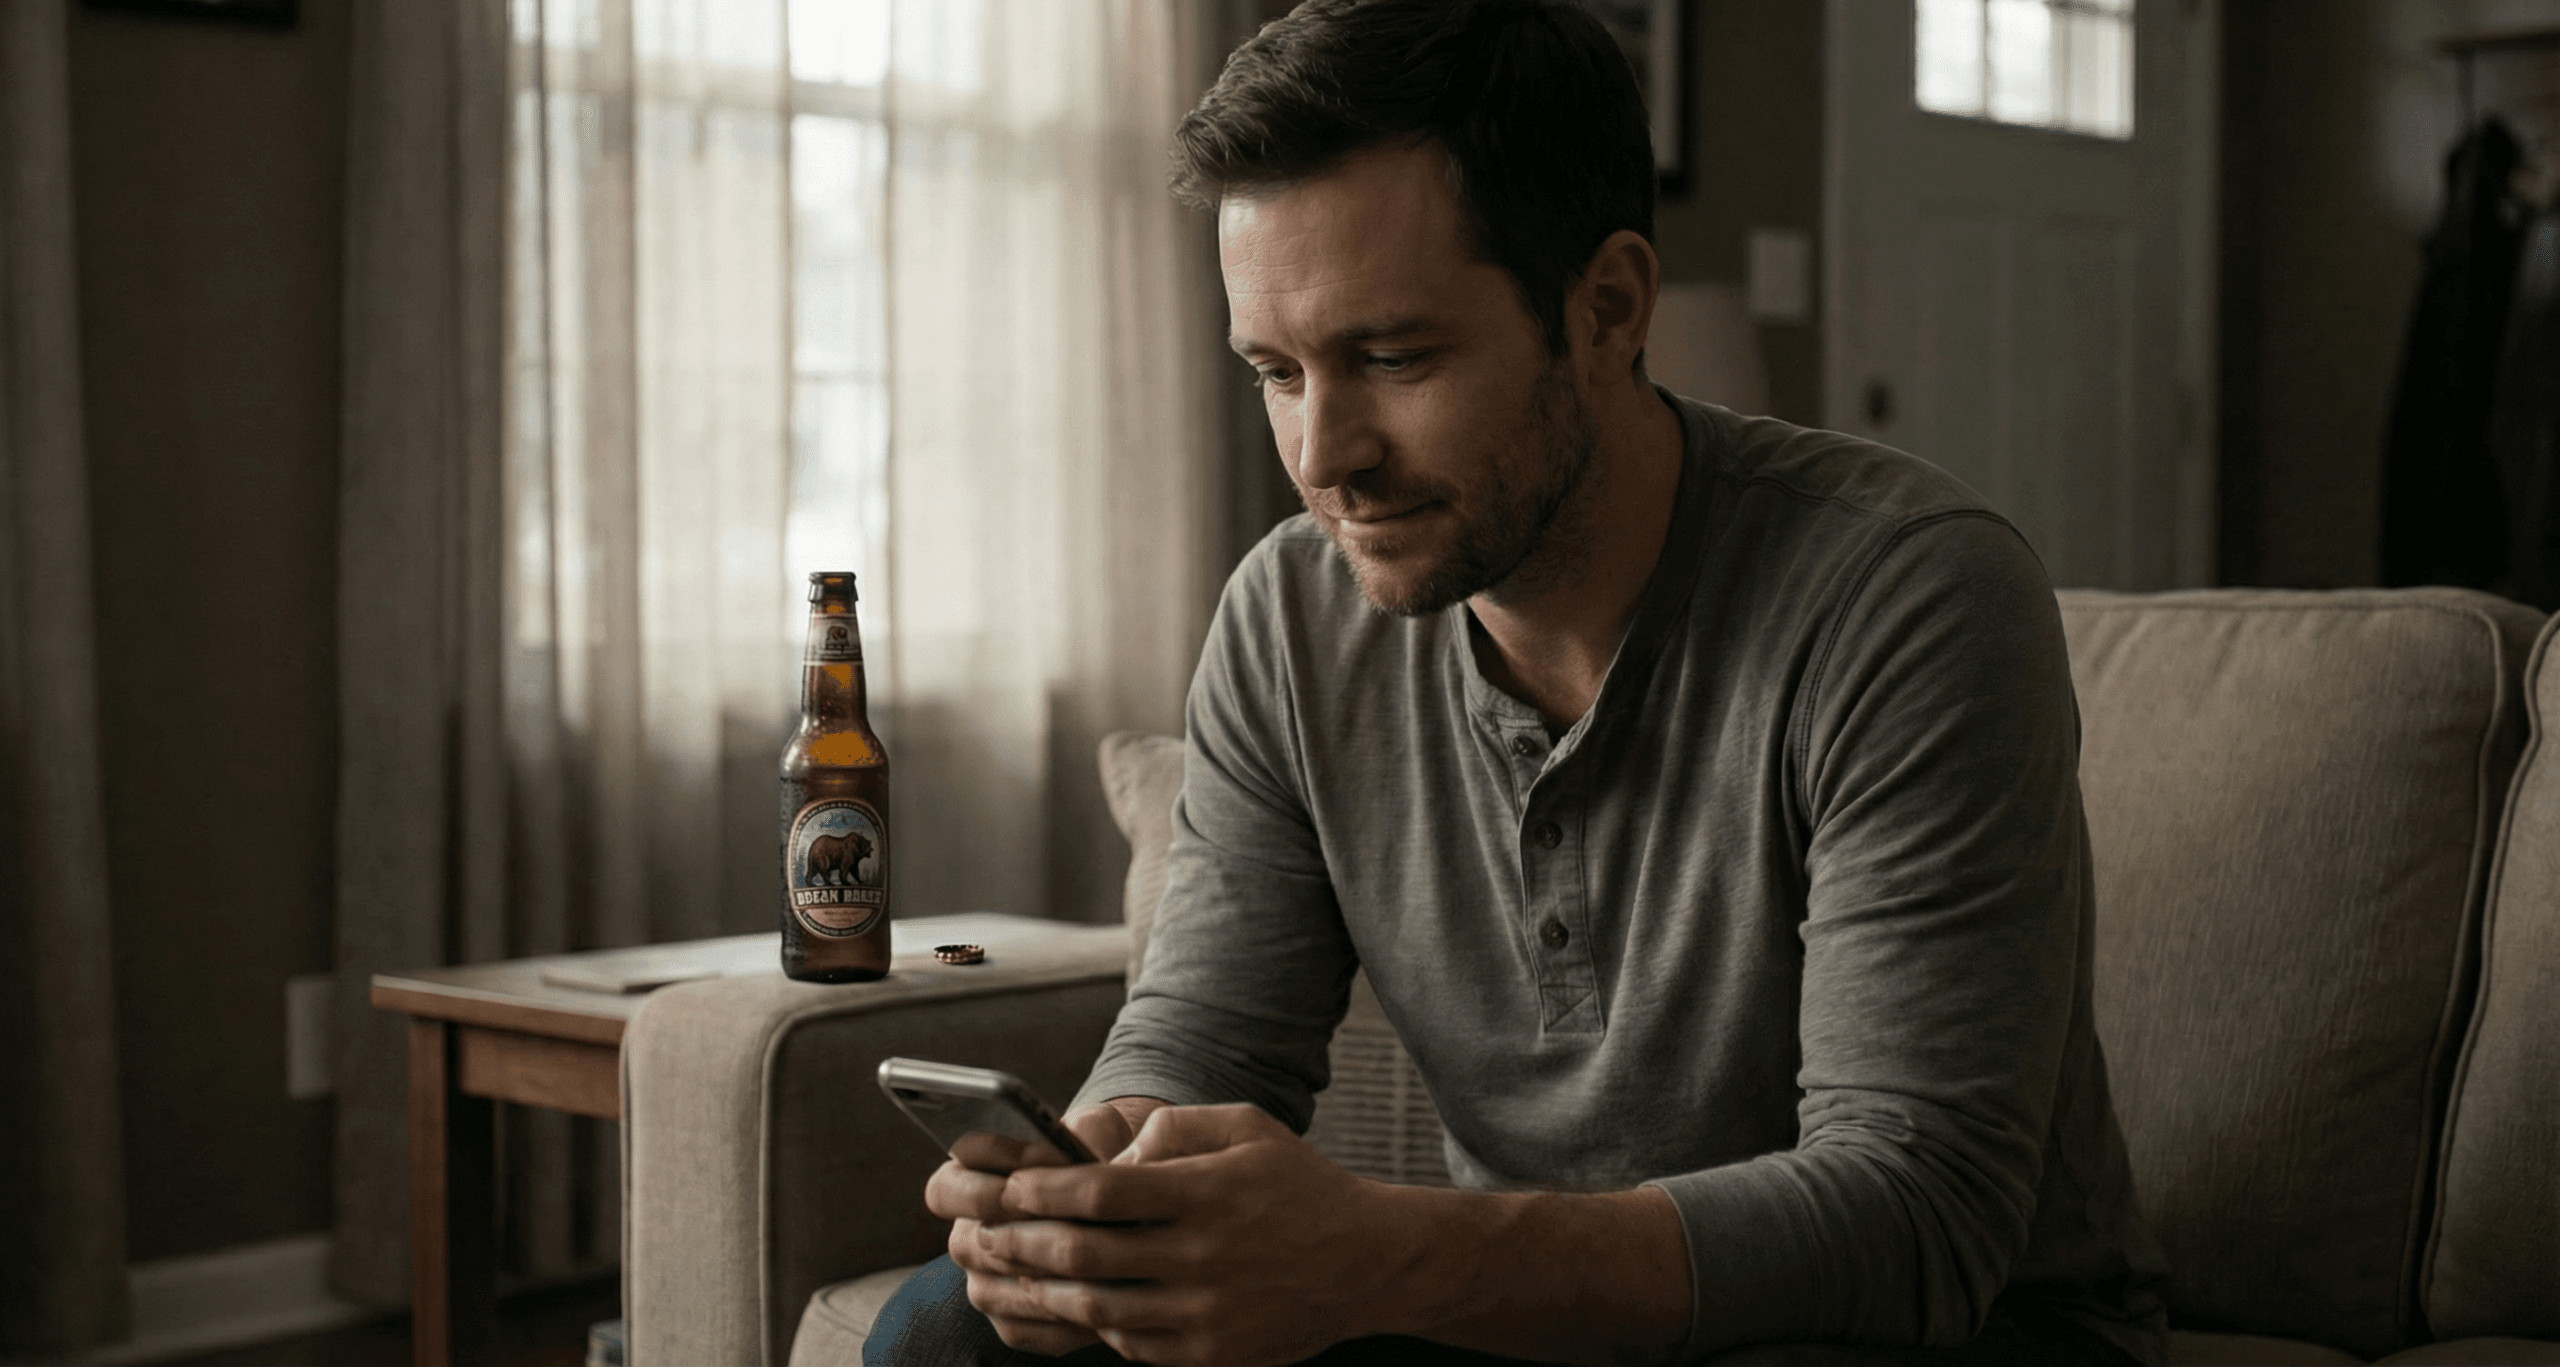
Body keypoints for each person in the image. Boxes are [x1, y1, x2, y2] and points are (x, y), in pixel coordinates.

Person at [866, 1, 2170, 1362]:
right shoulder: (1289, 615)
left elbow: (1915, 1215)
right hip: (1510, 1315)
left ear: (1606, 306)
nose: (1324, 455)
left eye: (1391, 357)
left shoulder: (1909, 599)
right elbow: (1203, 1040)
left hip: (1930, 1330)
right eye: (1276, 370)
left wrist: (1379, 1254)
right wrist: (1097, 1182)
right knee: (949, 1330)